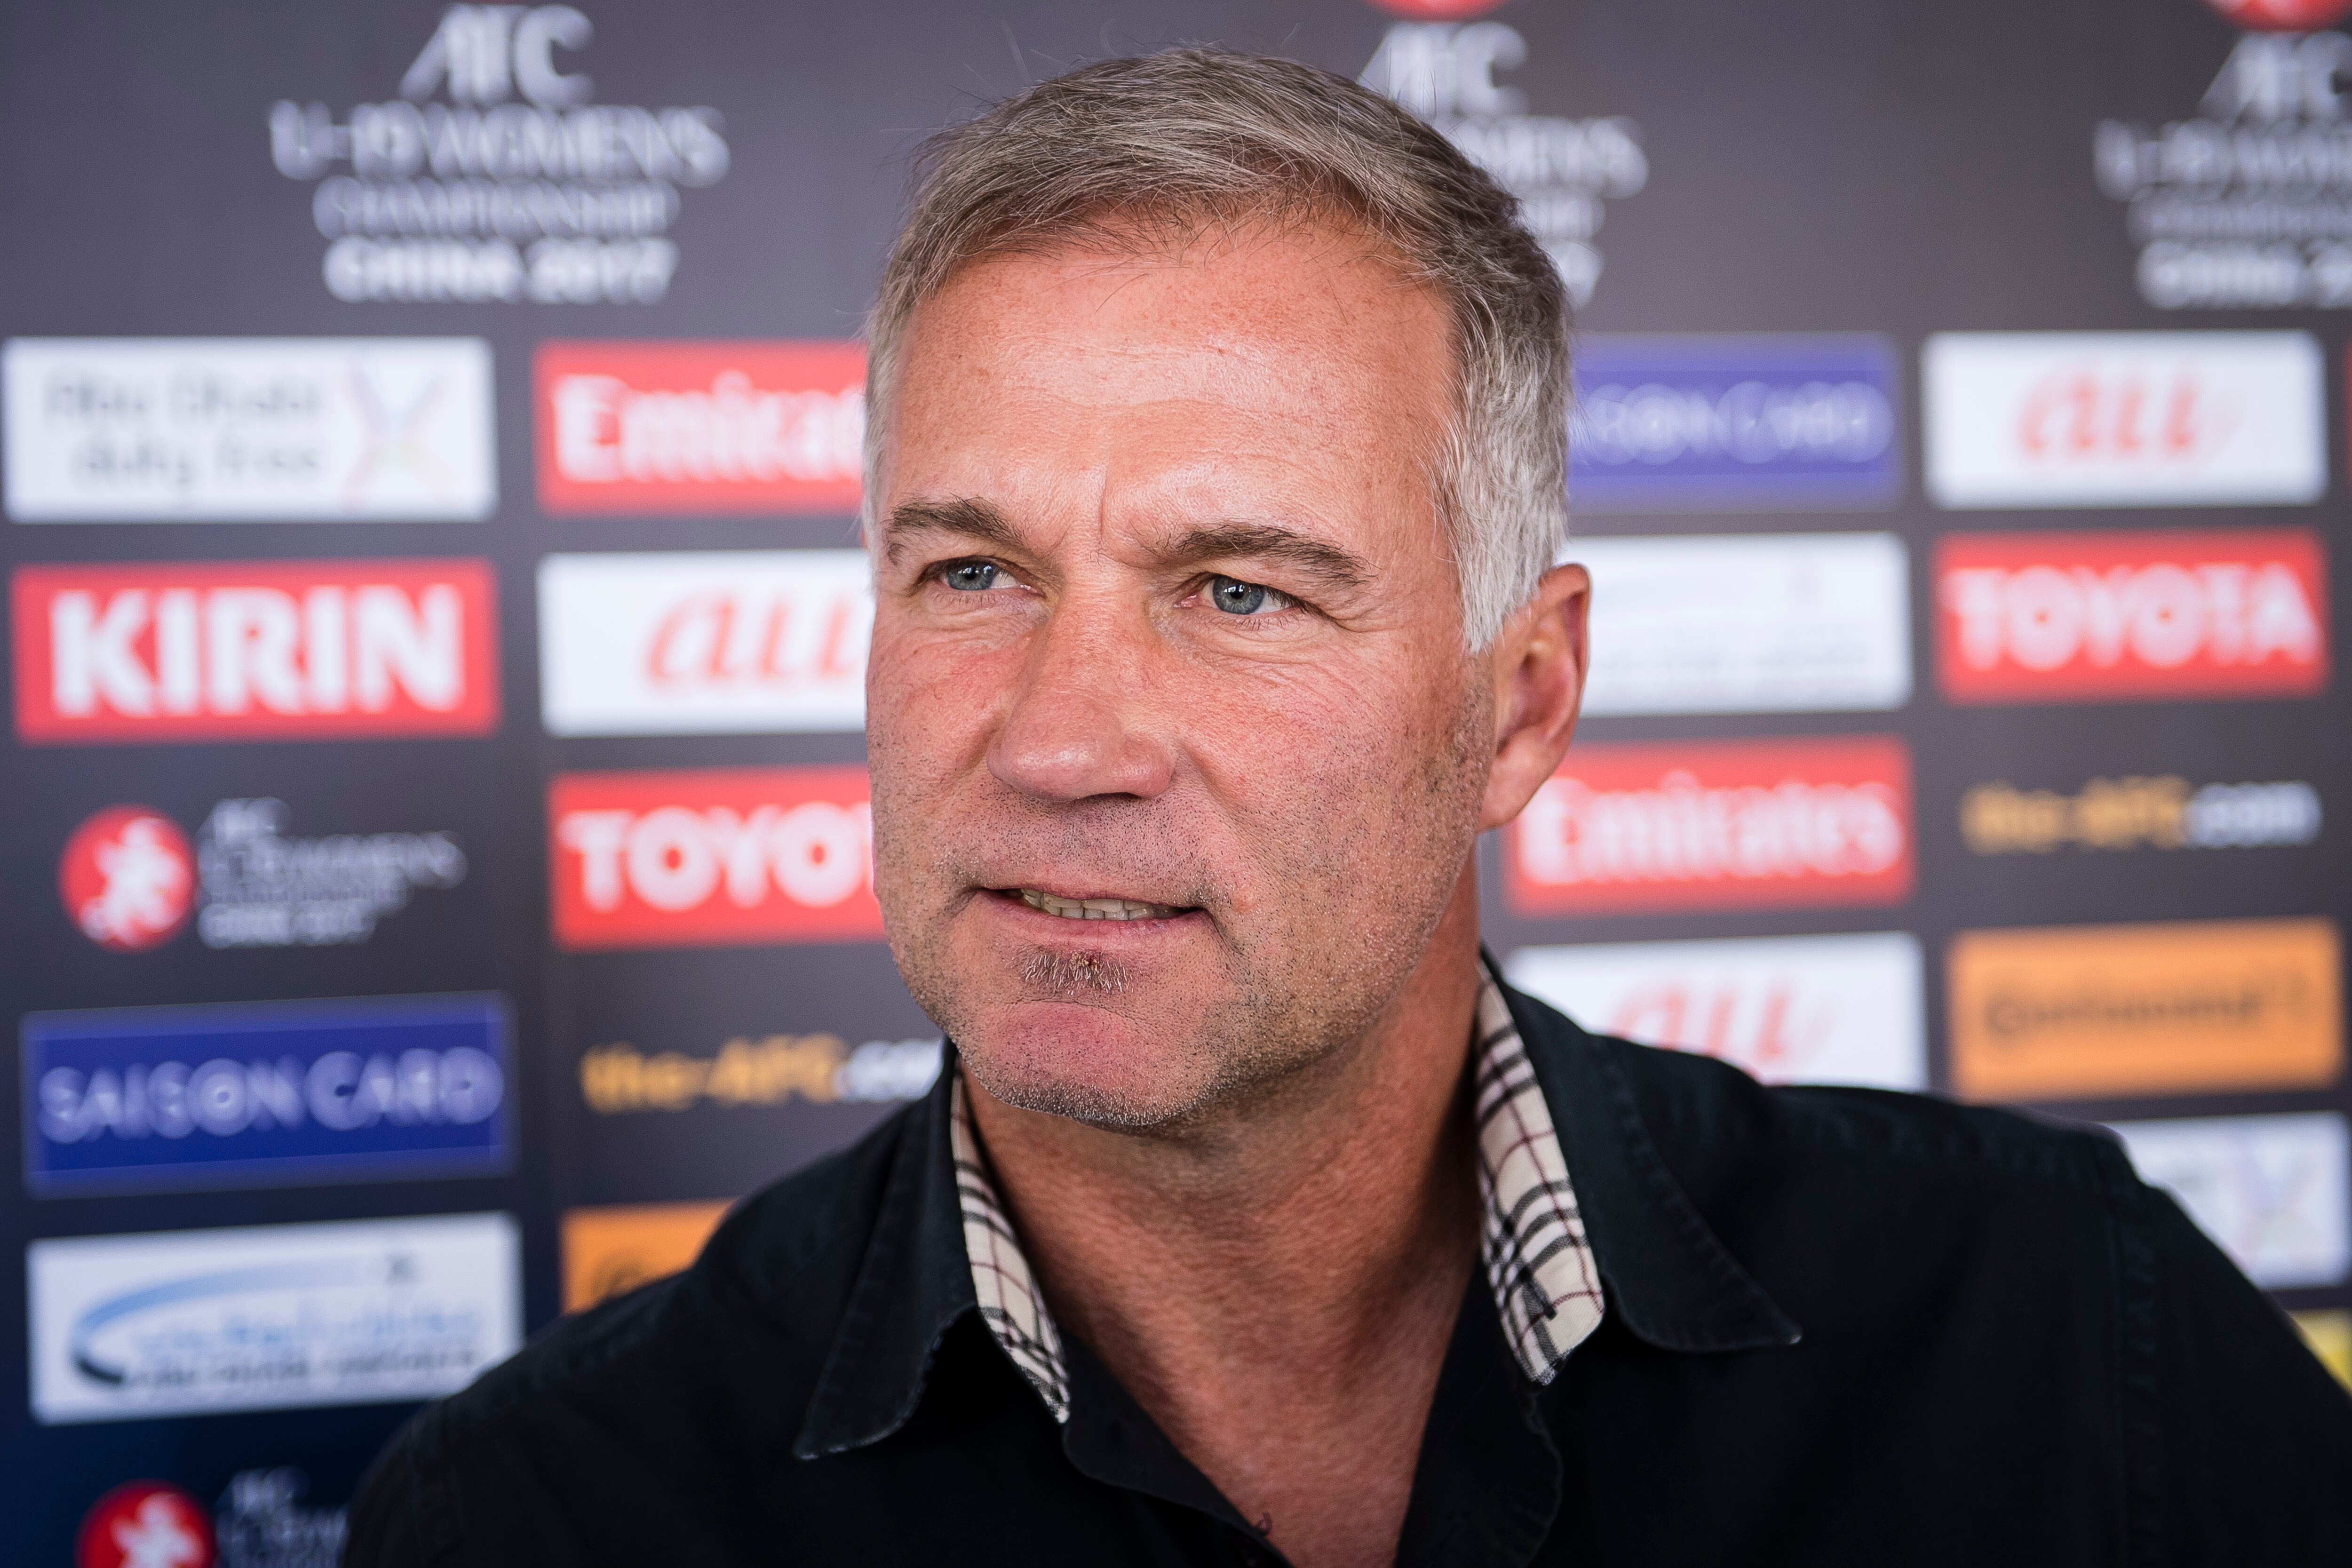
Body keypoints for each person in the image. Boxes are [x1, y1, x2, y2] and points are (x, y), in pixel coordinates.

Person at [347, 47, 2352, 1568]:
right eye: (971, 573)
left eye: (1238, 591)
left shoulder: (2063, 1341)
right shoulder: (537, 1511)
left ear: (1518, 701)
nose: (1061, 738)